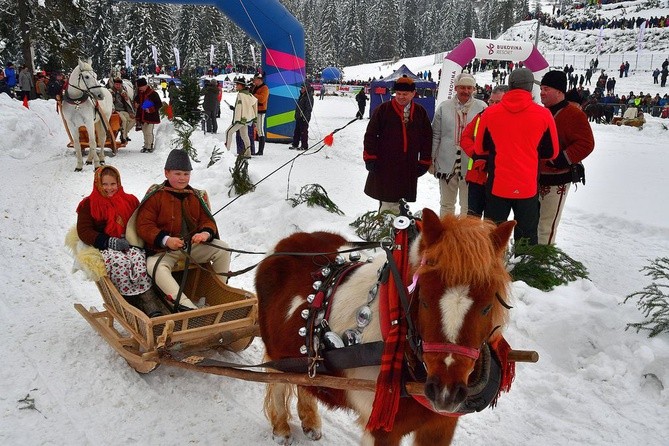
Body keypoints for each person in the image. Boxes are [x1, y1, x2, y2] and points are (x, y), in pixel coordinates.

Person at [135, 149, 232, 311]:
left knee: (223, 249)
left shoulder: (195, 196)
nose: (182, 178)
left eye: (186, 174)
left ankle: (217, 295)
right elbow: (144, 226)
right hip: (162, 251)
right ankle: (186, 307)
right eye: (177, 173)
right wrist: (166, 240)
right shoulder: (156, 195)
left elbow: (207, 220)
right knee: (155, 267)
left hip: (190, 248)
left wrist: (205, 233)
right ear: (166, 173)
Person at [473, 67, 559, 245]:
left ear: (510, 85)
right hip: (527, 185)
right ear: (530, 88)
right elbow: (552, 152)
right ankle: (525, 271)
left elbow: (480, 147)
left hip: (498, 184)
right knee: (526, 238)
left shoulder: (490, 113)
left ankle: (489, 271)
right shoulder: (544, 114)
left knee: (493, 238)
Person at [76, 166, 166, 317]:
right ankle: (129, 304)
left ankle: (149, 302)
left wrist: (142, 241)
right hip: (105, 246)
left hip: (130, 243)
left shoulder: (130, 200)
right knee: (120, 262)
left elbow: (140, 222)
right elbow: (84, 231)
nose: (109, 188)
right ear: (97, 183)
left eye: (113, 184)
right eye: (104, 184)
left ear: (118, 183)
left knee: (138, 260)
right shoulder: (88, 204)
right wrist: (109, 241)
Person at [538, 70, 595, 245]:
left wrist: (560, 159)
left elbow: (586, 143)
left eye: (546, 88)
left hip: (557, 178)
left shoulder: (574, 114)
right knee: (531, 222)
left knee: (546, 225)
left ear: (559, 91)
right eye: (541, 88)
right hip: (534, 177)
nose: (541, 92)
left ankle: (541, 264)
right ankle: (526, 259)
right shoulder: (539, 112)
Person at [362, 75, 432, 214]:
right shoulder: (383, 110)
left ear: (413, 94)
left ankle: (400, 229)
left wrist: (424, 161)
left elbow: (426, 138)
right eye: (398, 94)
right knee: (388, 200)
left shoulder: (420, 112)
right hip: (386, 164)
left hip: (408, 164)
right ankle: (386, 229)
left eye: (405, 94)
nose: (401, 97)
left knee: (401, 199)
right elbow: (370, 135)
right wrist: (370, 157)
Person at [431, 72, 487, 216]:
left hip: (470, 164)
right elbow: (436, 134)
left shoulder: (482, 107)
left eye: (469, 88)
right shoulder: (444, 107)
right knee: (446, 204)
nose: (466, 91)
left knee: (467, 206)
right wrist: (431, 159)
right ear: (456, 88)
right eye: (462, 87)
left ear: (474, 89)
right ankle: (445, 235)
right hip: (446, 162)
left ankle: (464, 237)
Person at [460, 84, 508, 218]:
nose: (492, 104)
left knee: (492, 222)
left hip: (498, 178)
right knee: (472, 219)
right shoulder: (481, 116)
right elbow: (465, 137)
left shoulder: (510, 120)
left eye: (497, 102)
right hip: (477, 175)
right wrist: (476, 153)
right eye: (491, 101)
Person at [224, 79, 257, 158]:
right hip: (247, 118)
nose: (236, 86)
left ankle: (226, 152)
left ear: (241, 85)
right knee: (244, 135)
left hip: (241, 119)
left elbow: (240, 107)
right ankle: (248, 152)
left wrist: (237, 119)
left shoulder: (240, 95)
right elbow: (254, 103)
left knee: (228, 132)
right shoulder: (249, 95)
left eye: (237, 84)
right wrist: (254, 117)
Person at [133, 77, 162, 153]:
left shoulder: (153, 93)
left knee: (149, 132)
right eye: (139, 87)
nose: (140, 89)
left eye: (141, 87)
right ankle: (146, 145)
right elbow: (136, 100)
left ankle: (149, 146)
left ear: (145, 85)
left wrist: (150, 109)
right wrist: (136, 104)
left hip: (150, 116)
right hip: (142, 116)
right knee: (144, 132)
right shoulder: (140, 93)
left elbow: (159, 104)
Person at [109, 78, 135, 144]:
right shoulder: (110, 92)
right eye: (116, 84)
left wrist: (130, 112)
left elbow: (127, 103)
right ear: (114, 84)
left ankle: (125, 133)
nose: (118, 86)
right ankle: (123, 137)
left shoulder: (123, 92)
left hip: (123, 110)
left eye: (119, 85)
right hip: (116, 110)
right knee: (124, 120)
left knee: (133, 120)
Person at [289, 82, 314, 151]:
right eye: (301, 88)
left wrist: (304, 117)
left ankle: (304, 145)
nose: (301, 89)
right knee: (297, 131)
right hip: (299, 116)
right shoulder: (302, 95)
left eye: (302, 88)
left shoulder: (309, 97)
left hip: (304, 117)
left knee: (303, 132)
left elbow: (309, 108)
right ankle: (295, 144)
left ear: (306, 88)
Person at [251, 73, 269, 155]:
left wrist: (253, 95)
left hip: (261, 111)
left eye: (255, 79)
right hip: (255, 110)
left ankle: (261, 150)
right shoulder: (255, 87)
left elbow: (262, 99)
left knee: (260, 130)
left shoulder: (265, 88)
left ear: (259, 80)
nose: (254, 81)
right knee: (257, 129)